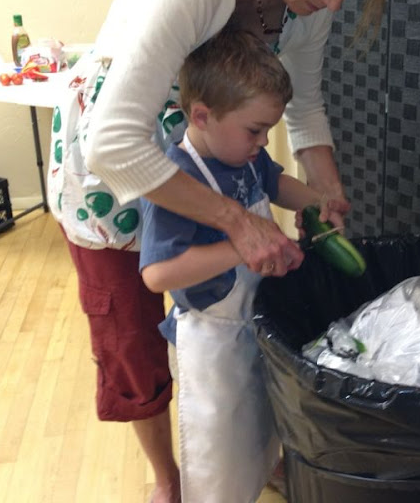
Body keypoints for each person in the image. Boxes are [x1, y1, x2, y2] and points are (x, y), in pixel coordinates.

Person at [46, 0, 399, 501]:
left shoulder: (305, 6)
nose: (335, 2)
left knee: (229, 327)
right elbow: (114, 144)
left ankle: (249, 454)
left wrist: (326, 192)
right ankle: (168, 477)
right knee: (134, 342)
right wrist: (237, 222)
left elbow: (306, 106)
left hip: (209, 160)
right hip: (110, 166)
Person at [139, 28, 331, 503]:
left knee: (258, 424)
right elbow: (158, 275)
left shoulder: (243, 156)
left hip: (252, 321)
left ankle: (262, 473)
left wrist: (317, 202)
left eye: (268, 130)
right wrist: (240, 247)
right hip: (210, 343)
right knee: (220, 457)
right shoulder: (176, 180)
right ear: (201, 116)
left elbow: (276, 183)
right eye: (255, 130)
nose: (262, 142)